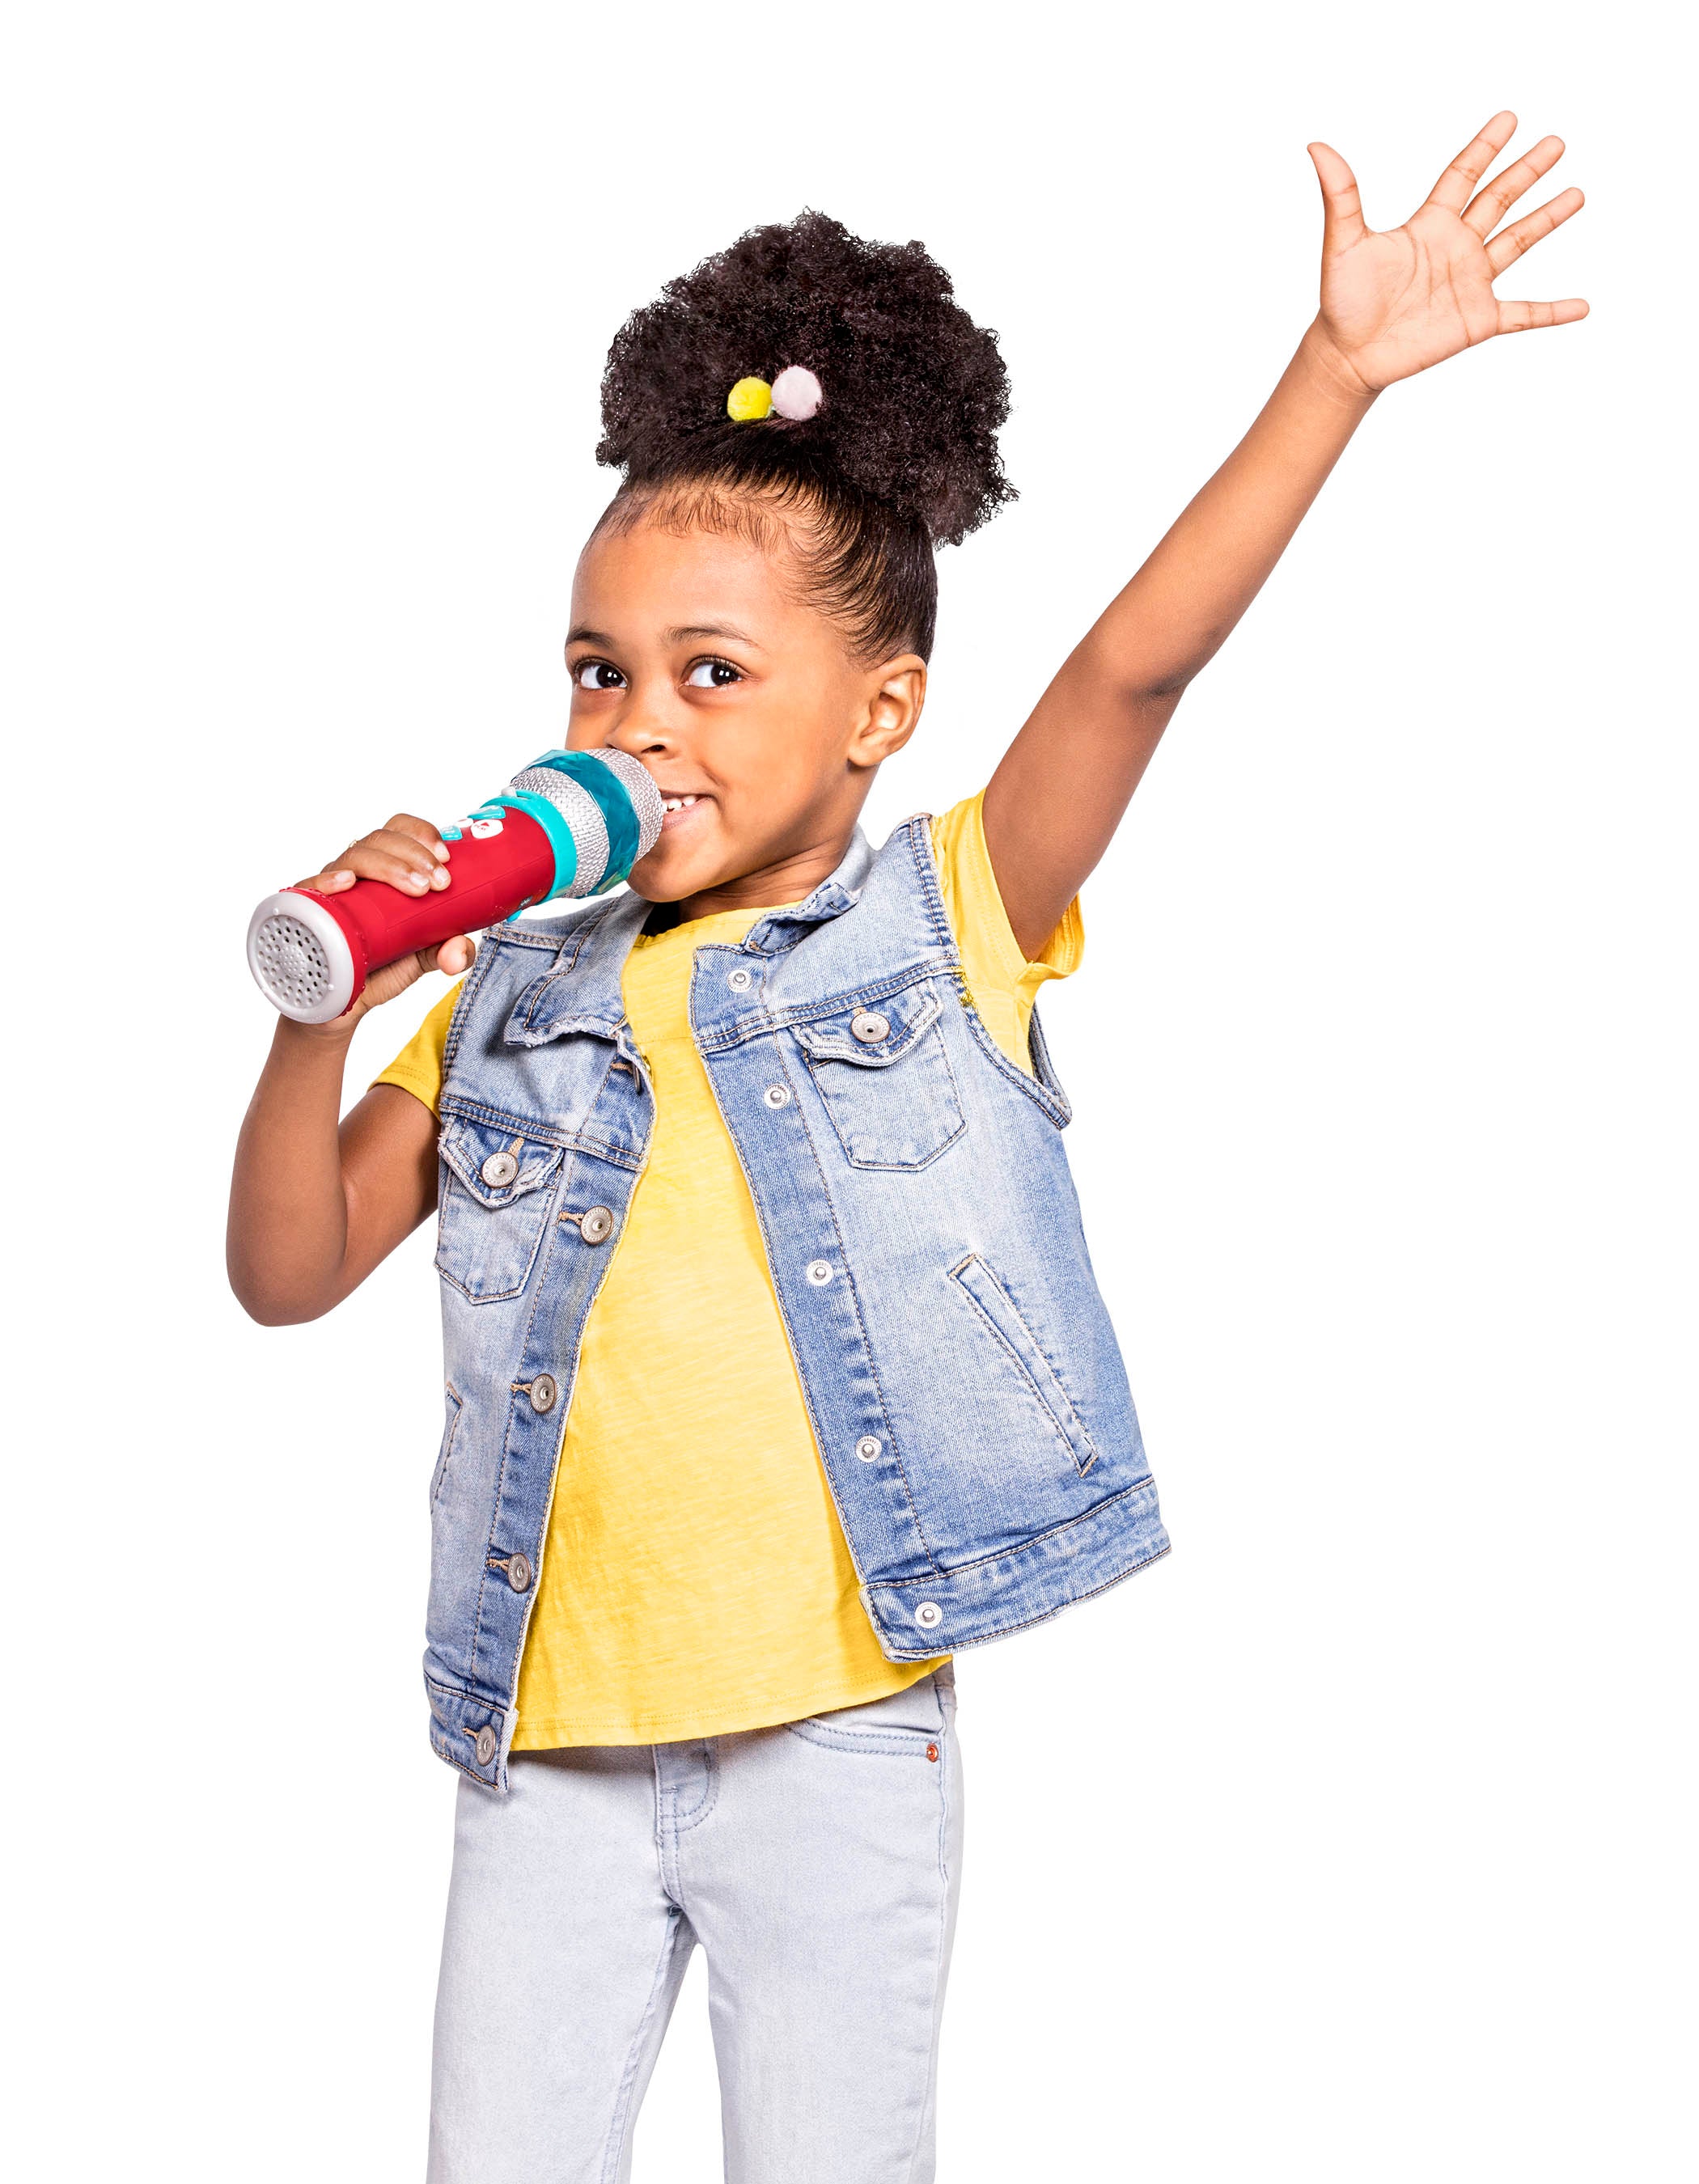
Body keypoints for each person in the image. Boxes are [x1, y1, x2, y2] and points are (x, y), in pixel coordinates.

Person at [228, 113, 1586, 2182]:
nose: (633, 729)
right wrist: (312, 1022)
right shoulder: (509, 990)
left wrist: (1329, 378)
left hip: (833, 1740)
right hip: (546, 1747)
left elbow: (1136, 668)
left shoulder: (942, 927)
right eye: (597, 674)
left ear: (879, 710)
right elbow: (289, 1265)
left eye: (709, 674)